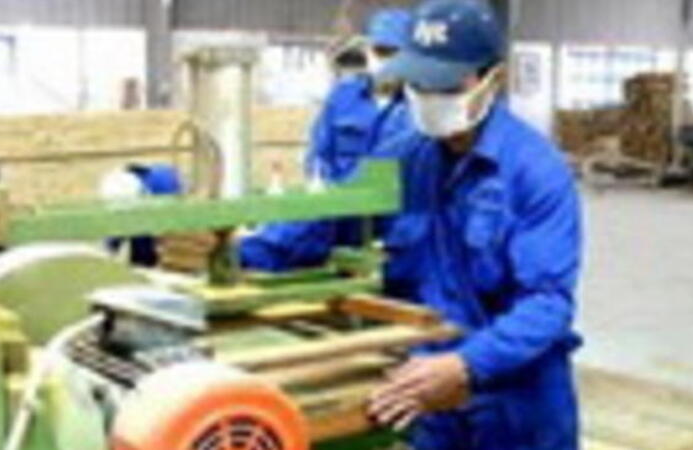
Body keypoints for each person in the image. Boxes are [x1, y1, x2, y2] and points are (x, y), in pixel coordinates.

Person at [362, 1, 583, 449]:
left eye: (447, 84)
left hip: (517, 404)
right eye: (419, 82)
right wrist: (231, 246)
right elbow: (326, 223)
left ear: (493, 78)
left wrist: (467, 365)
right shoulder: (401, 157)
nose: (430, 95)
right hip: (430, 402)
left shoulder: (535, 171)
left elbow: (547, 302)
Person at [239, 7, 414, 271]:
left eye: (394, 54)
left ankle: (250, 254)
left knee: (299, 228)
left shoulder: (415, 109)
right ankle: (246, 253)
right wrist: (327, 194)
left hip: (384, 219)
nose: (386, 62)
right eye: (380, 52)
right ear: (367, 52)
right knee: (296, 218)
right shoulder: (343, 97)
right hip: (333, 211)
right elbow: (319, 154)